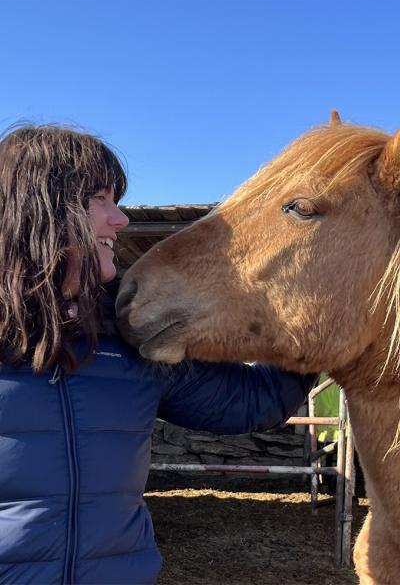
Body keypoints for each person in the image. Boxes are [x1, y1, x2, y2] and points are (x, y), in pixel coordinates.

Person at [0, 124, 317, 585]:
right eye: (99, 200)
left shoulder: (128, 338)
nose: (121, 219)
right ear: (38, 209)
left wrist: (311, 324)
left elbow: (254, 402)